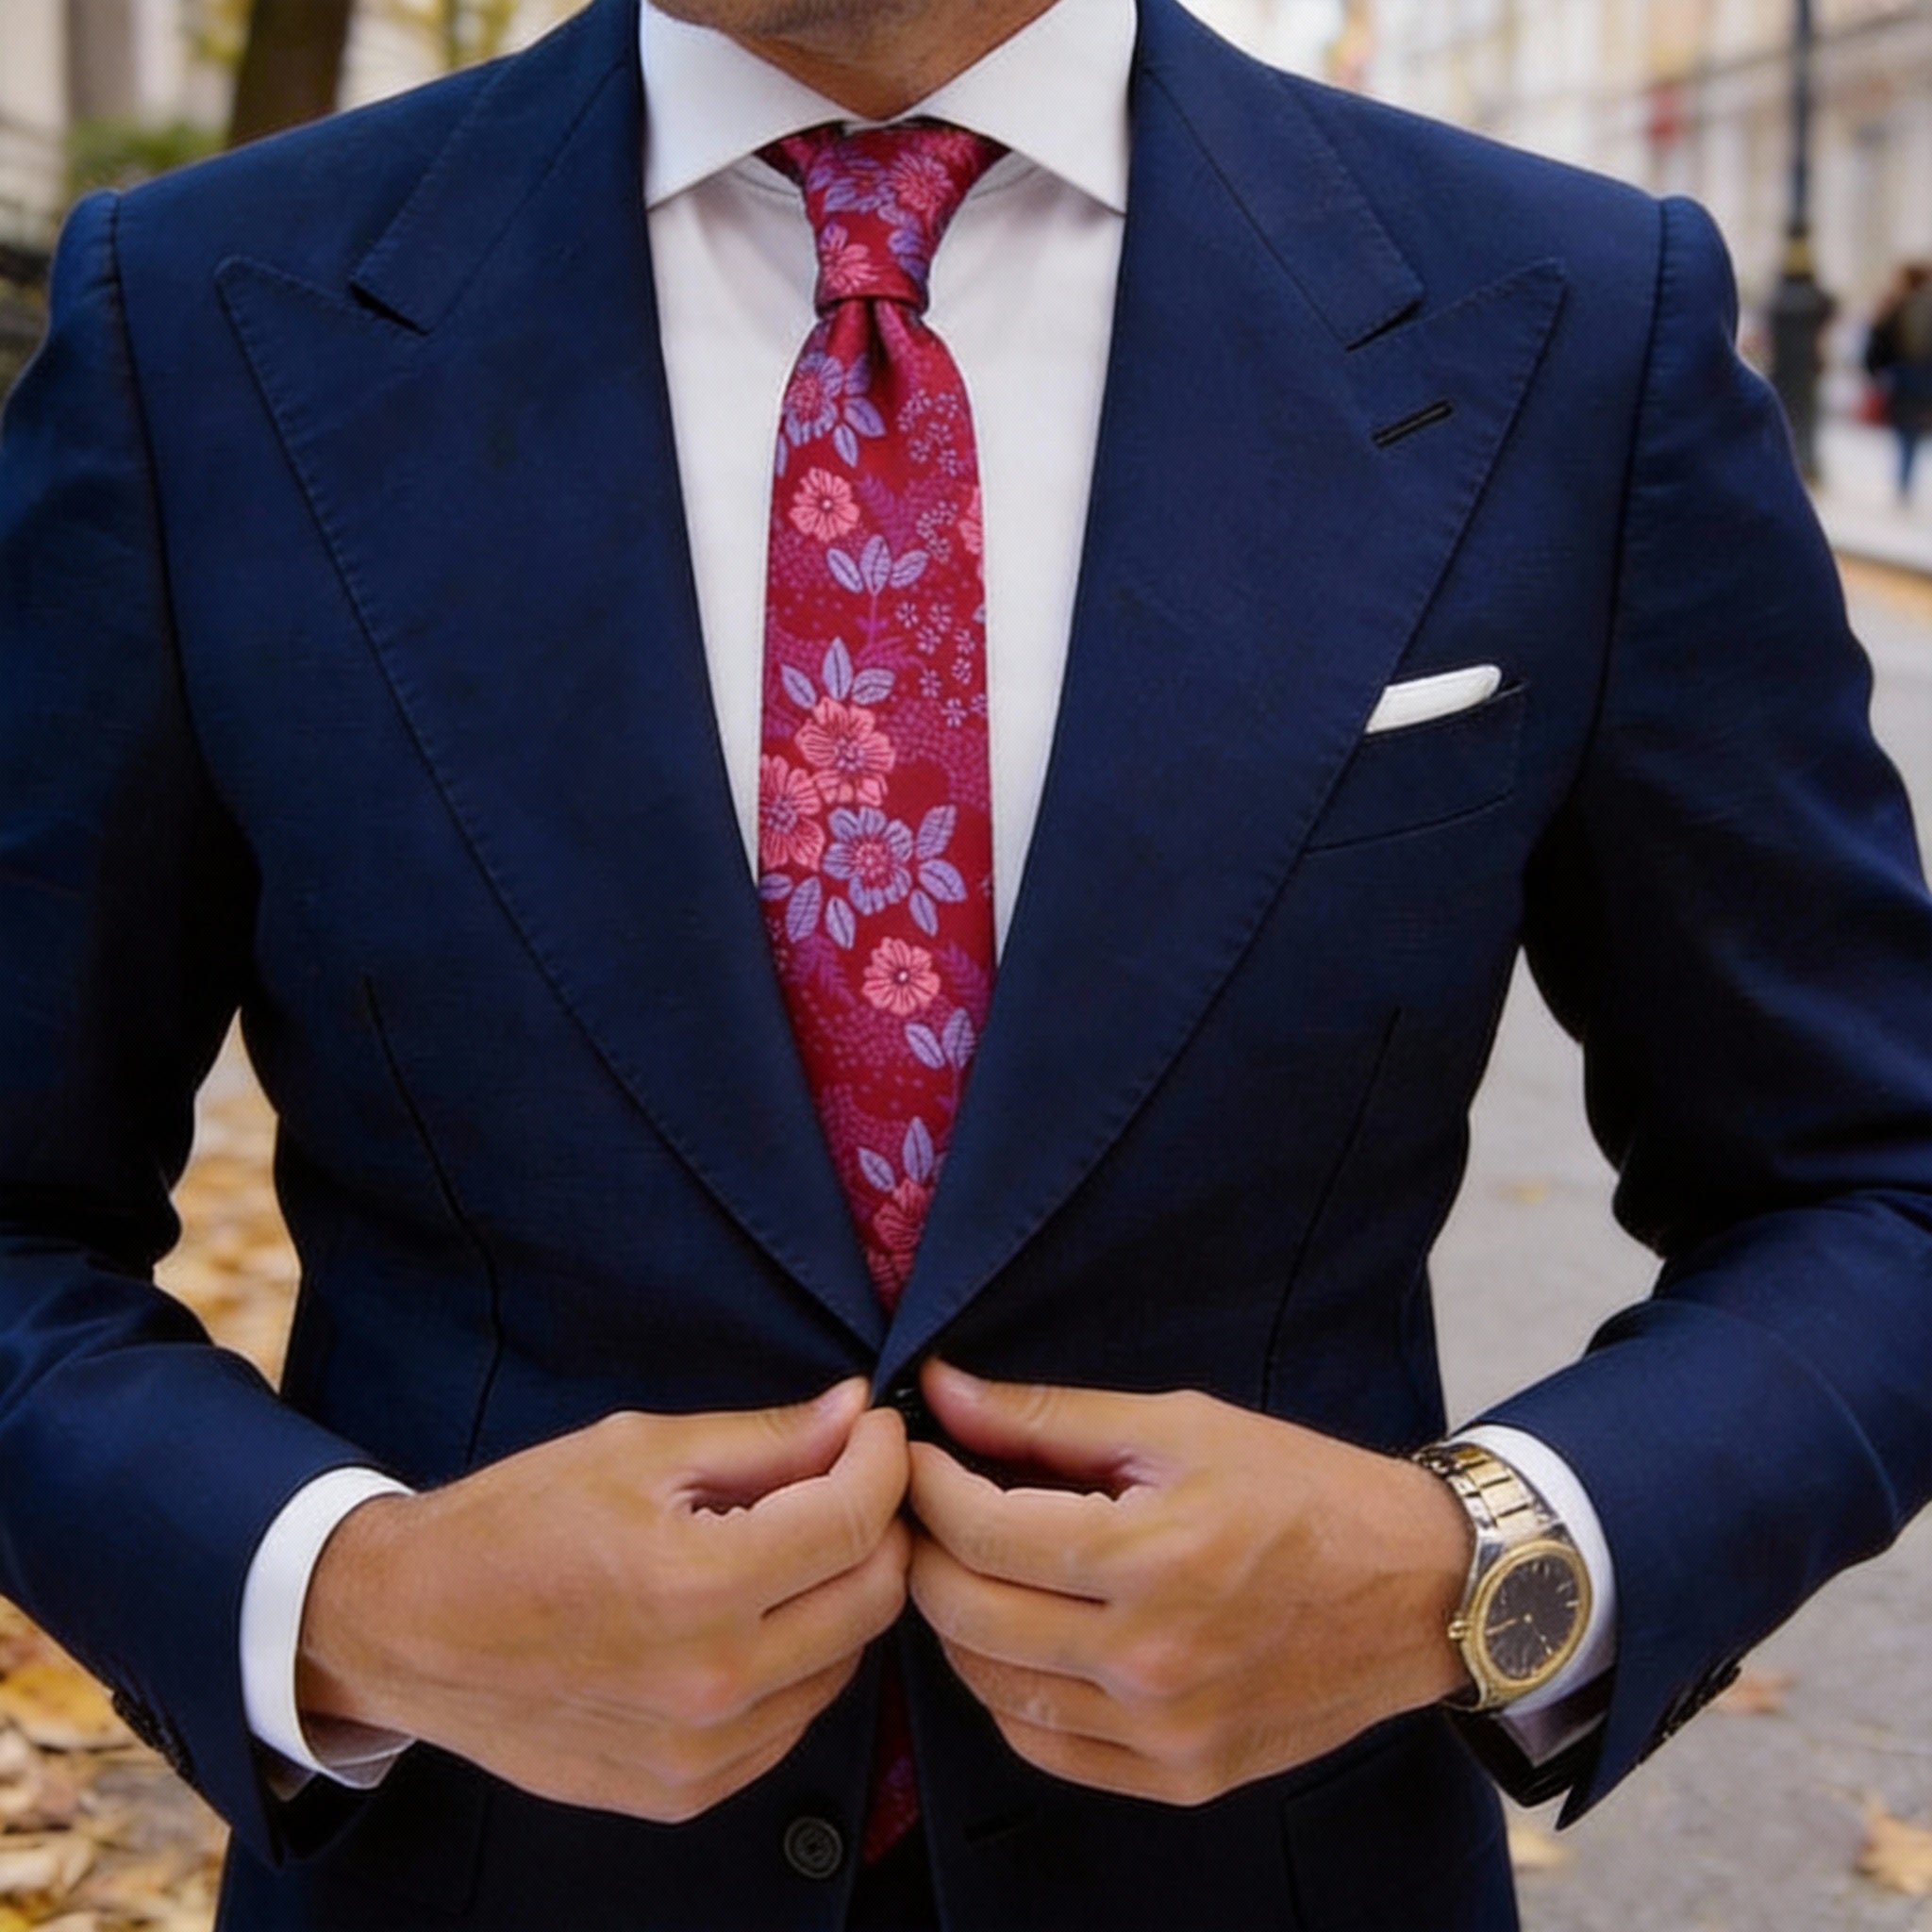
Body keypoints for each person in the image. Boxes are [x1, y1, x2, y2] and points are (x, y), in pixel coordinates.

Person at [2, 0, 1929, 1926]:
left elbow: (1872, 1183)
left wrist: (1476, 1568)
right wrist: (346, 1599)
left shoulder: (1571, 318)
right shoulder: (202, 319)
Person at [1866, 261, 1932, 504]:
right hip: (1920, 377)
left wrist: (1876, 371)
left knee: (1906, 429)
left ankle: (1904, 480)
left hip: (1904, 376)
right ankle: (1905, 479)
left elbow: (1878, 341)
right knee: (1911, 430)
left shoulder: (1897, 304)